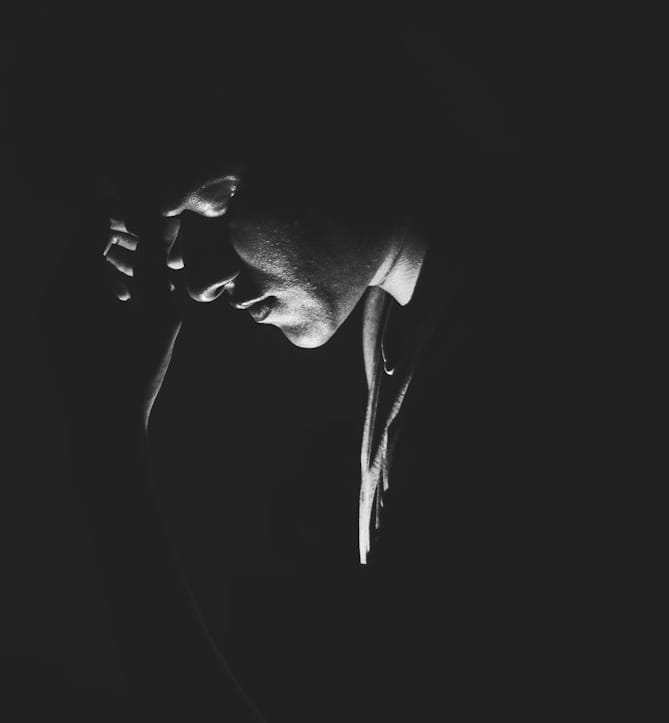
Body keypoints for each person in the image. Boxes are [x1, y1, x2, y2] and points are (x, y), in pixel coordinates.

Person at [26, 9, 568, 721]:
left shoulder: (533, 373)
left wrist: (106, 452)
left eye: (219, 202)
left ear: (335, 120)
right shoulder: (393, 319)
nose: (200, 283)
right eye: (172, 236)